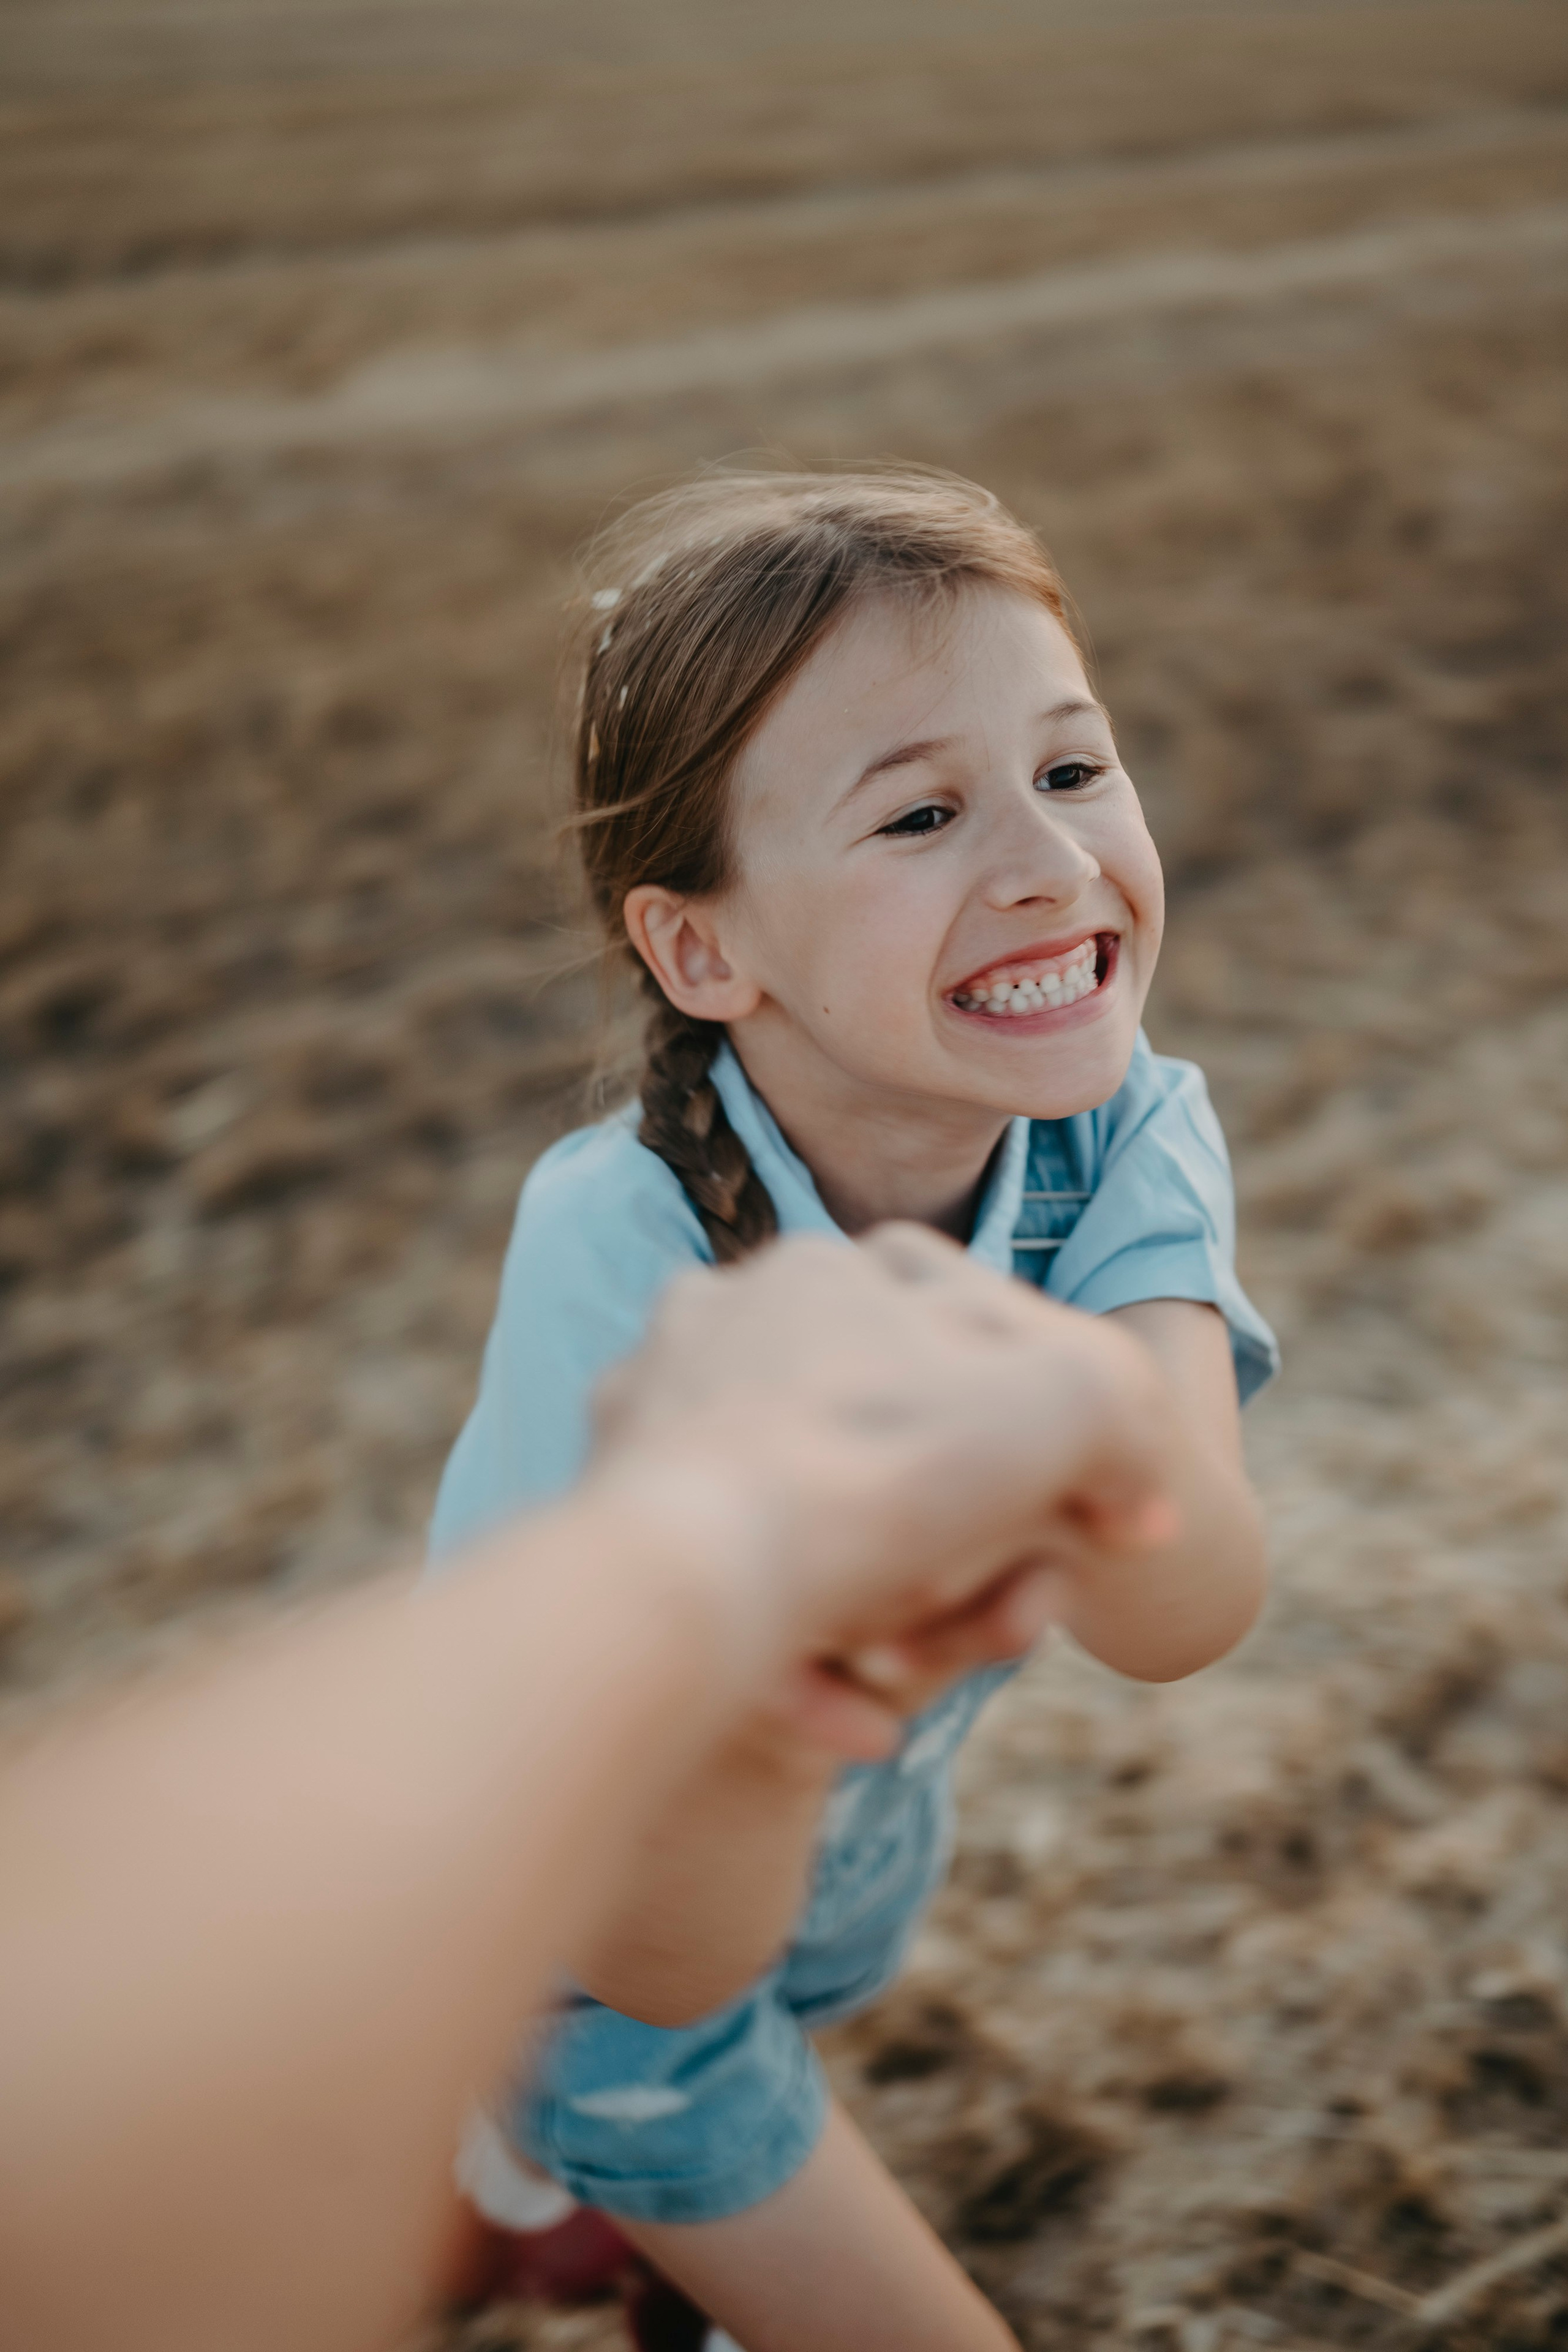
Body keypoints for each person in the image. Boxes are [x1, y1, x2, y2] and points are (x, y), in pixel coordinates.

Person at [429, 469, 1280, 2352]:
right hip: (592, 1950)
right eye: (920, 813)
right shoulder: (624, 1244)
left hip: (830, 1882)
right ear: (703, 951)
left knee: (796, 1996)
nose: (1055, 866)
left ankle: (542, 2201)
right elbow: (659, 1941)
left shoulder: (1134, 1124)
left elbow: (1181, 1614)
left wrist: (1068, 1399)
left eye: (1074, 770)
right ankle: (542, 2150)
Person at [0, 1226, 1181, 2352]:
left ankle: (510, 2150)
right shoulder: (603, 1217)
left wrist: (726, 1531)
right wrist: (733, 1521)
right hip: (604, 1999)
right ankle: (517, 2131)